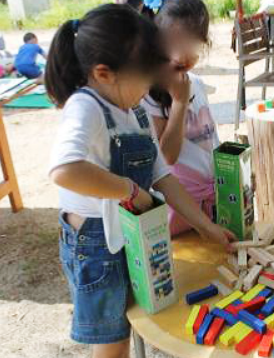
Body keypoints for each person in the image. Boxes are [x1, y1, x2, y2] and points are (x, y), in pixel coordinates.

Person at [45, 5, 235, 358]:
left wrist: (205, 226)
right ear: (104, 73)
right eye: (144, 74)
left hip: (128, 233)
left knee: (135, 315)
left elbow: (163, 174)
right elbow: (64, 169)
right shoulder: (86, 107)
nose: (151, 84)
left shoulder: (132, 110)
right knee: (112, 338)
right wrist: (128, 189)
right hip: (95, 242)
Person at [141, 0, 220, 236]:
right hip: (180, 207)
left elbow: (209, 139)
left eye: (191, 46)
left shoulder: (195, 82)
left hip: (212, 199)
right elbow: (166, 157)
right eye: (174, 43)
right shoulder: (148, 93)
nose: (180, 55)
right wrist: (180, 103)